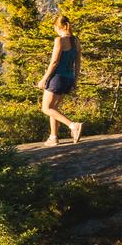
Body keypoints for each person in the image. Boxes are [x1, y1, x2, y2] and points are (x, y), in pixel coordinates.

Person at [39, 14, 83, 146]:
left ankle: (73, 125)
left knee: (46, 108)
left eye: (55, 27)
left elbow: (54, 62)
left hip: (57, 78)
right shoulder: (76, 41)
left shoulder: (59, 40)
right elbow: (78, 62)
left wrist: (43, 79)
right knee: (54, 108)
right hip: (68, 78)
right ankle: (53, 137)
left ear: (59, 27)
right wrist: (75, 80)